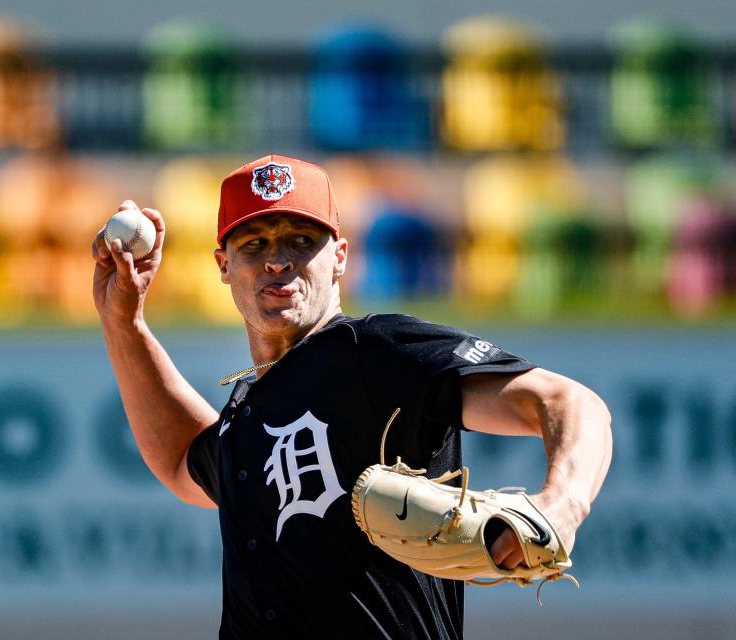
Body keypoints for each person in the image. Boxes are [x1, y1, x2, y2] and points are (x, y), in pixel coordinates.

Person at [92, 155, 612, 639]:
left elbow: (568, 402)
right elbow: (183, 461)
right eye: (254, 243)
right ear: (222, 264)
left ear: (339, 258)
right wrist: (123, 322)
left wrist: (561, 507)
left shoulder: (375, 353)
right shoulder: (246, 417)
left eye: (301, 239)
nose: (278, 260)